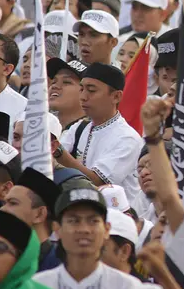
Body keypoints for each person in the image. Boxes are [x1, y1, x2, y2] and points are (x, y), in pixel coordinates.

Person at [33, 186, 138, 289]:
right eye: (74, 221)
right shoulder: (38, 287)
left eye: (93, 221)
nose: (84, 229)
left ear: (106, 229)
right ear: (57, 230)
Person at [57, 62, 144, 203]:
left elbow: (97, 181)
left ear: (116, 97)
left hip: (115, 217)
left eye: (91, 90)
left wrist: (58, 152)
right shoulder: (80, 127)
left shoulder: (128, 138)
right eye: (81, 89)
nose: (83, 97)